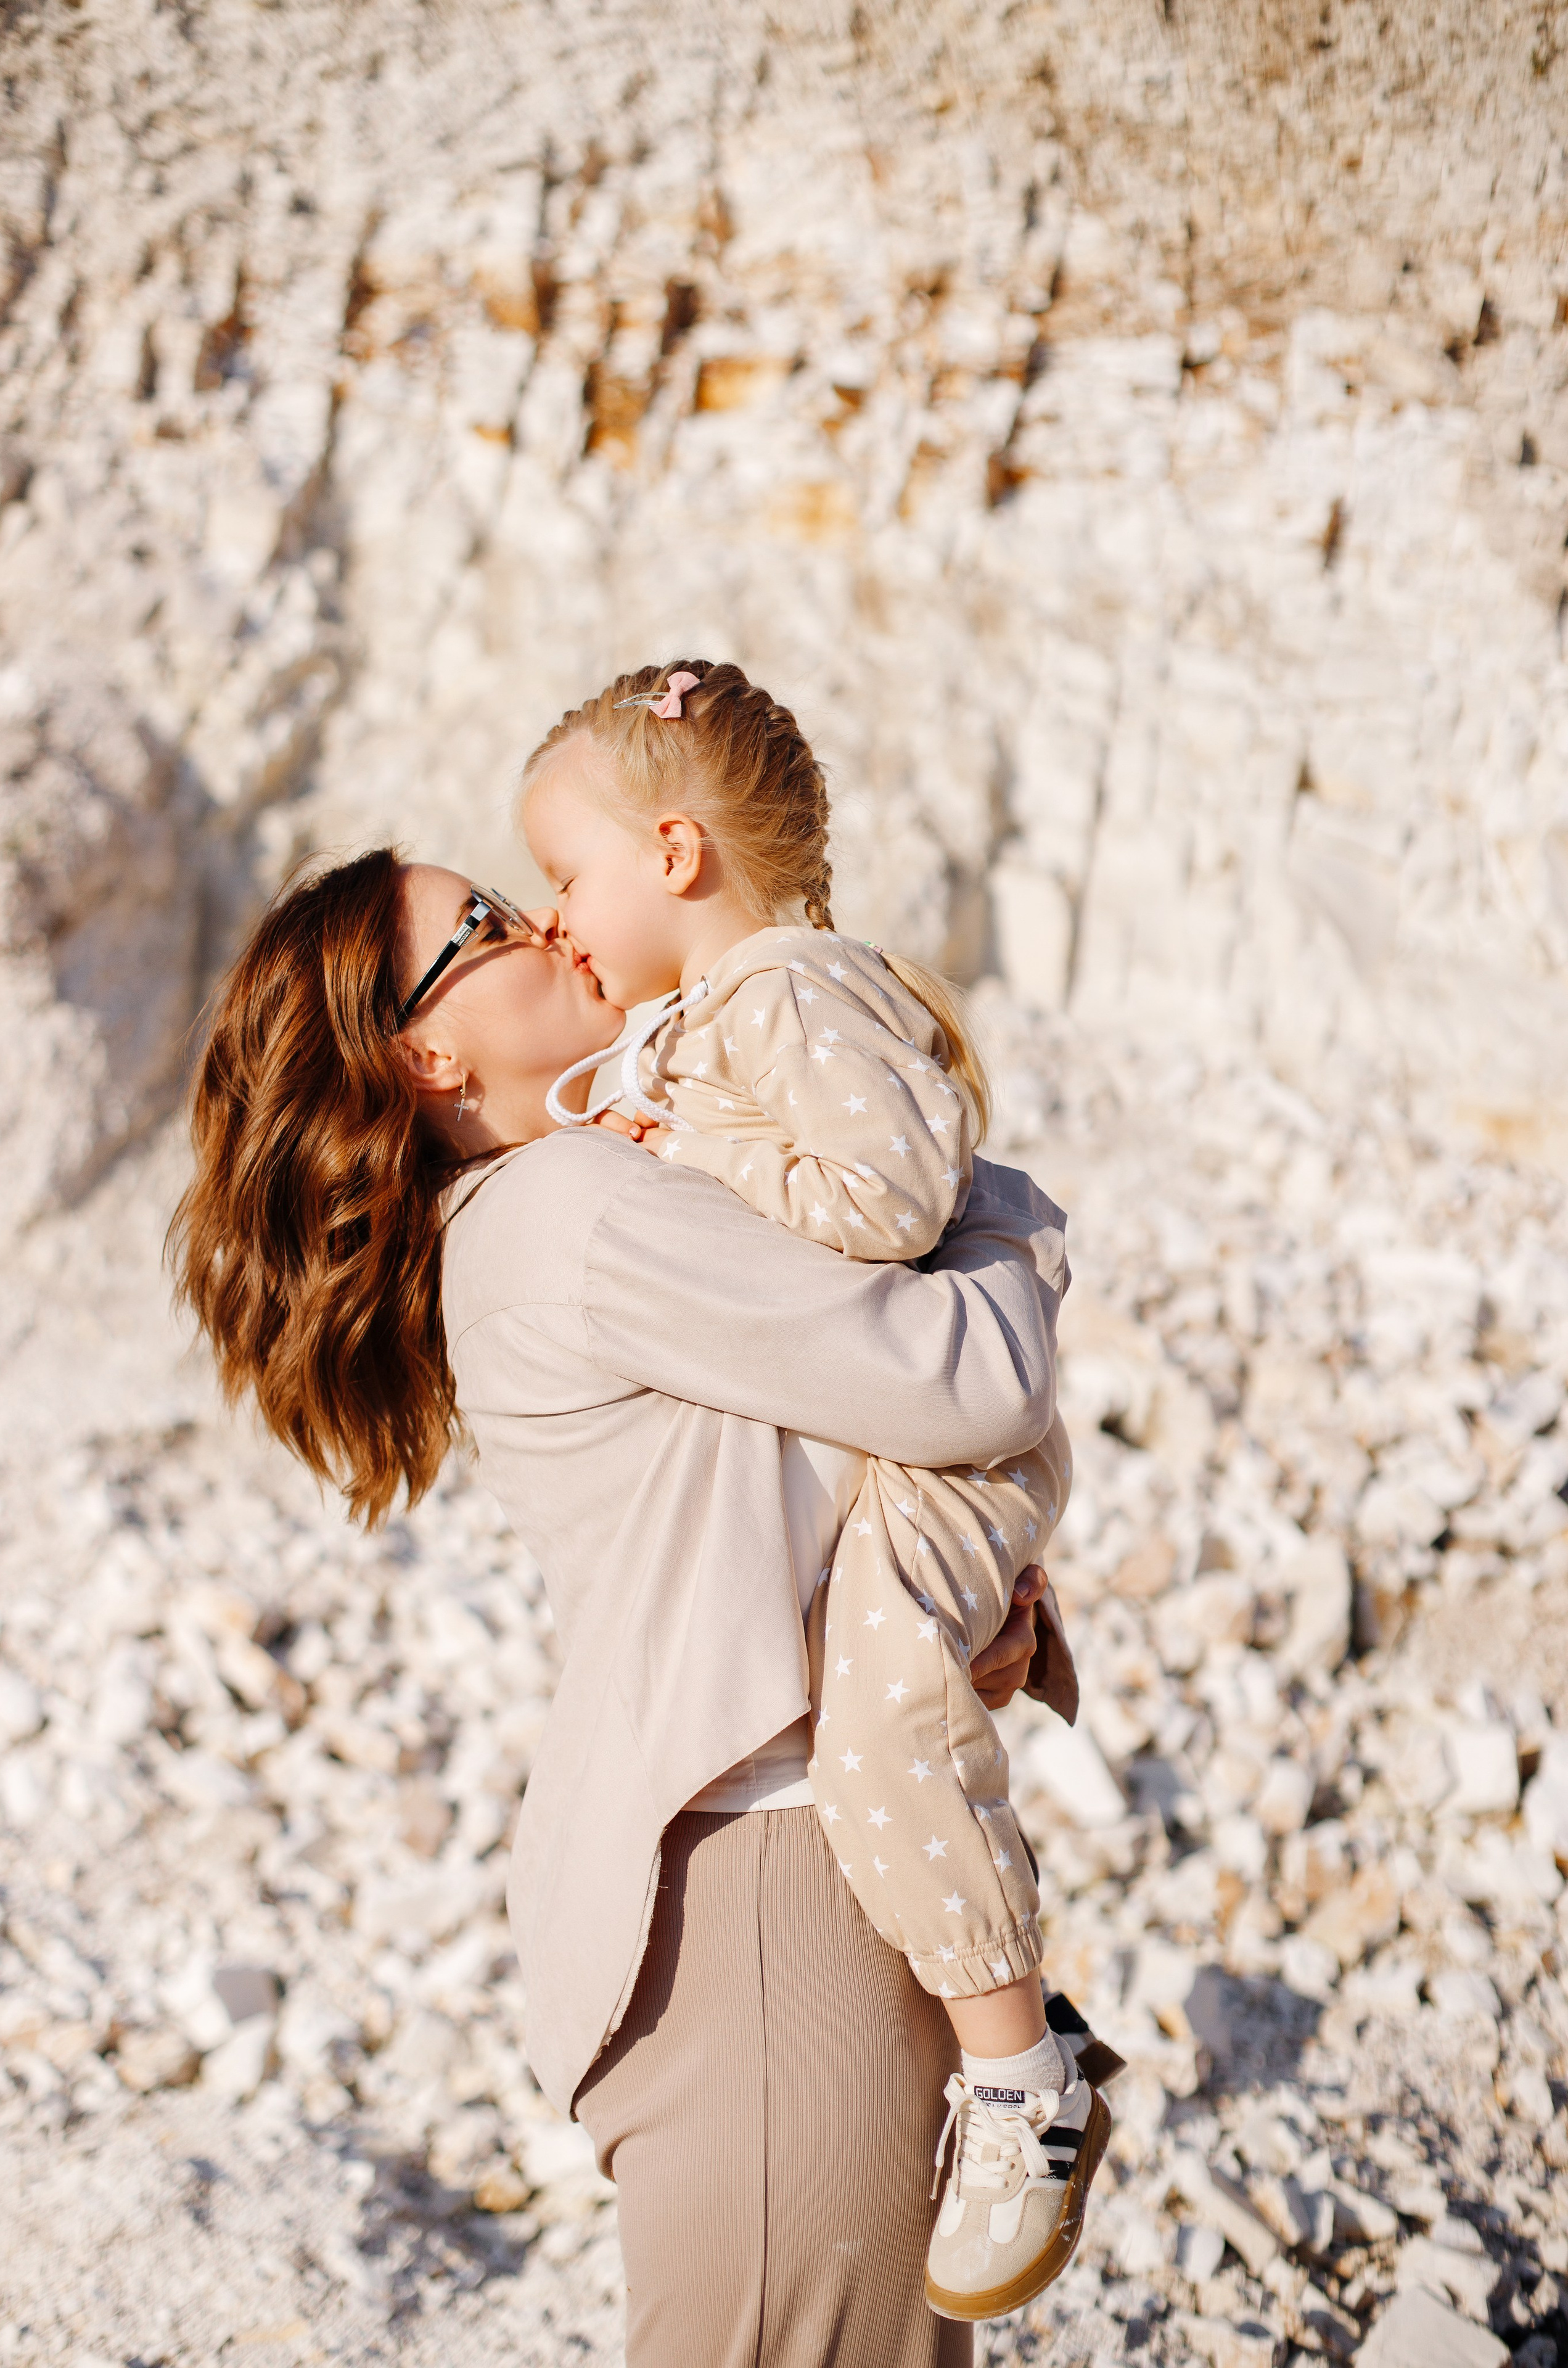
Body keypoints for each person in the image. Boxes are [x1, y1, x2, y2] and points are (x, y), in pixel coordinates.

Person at [168, 845, 1091, 2364]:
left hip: (771, 1883)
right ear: (426, 1052)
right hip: (762, 1909)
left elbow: (806, 1483)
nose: (541, 925)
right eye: (484, 923)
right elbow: (968, 1375)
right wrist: (1008, 1222)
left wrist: (978, 1620)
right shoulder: (575, 1210)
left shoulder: (583, 1193)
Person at [518, 660, 1106, 2319]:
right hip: (909, 1450)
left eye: (570, 875)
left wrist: (693, 1158)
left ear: (679, 853)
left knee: (890, 1722)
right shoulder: (722, 1017)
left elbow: (895, 1199)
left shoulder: (782, 991)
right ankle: (1006, 2049)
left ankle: (1022, 2069)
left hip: (942, 1458)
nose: (559, 919)